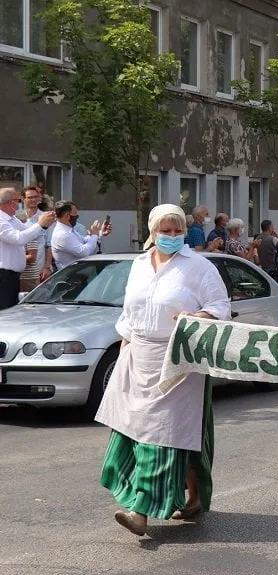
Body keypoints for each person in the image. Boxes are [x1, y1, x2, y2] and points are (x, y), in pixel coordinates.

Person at [94, 204, 230, 536]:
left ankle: (139, 511)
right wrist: (125, 343)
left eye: (177, 231)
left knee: (162, 437)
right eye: (164, 231)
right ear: (152, 233)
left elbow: (221, 307)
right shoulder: (139, 265)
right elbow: (130, 309)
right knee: (134, 431)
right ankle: (193, 496)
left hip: (179, 362)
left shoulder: (198, 267)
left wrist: (202, 317)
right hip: (138, 357)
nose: (171, 236)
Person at [50, 200, 111, 270]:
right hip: (70, 277)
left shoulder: (69, 230)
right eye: (75, 213)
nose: (77, 216)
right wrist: (94, 235)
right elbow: (84, 252)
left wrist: (100, 233)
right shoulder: (62, 235)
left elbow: (84, 240)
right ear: (67, 216)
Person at [22, 186, 54, 283]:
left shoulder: (47, 217)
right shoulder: (17, 218)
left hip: (40, 272)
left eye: (36, 197)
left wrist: (47, 267)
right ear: (23, 199)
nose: (33, 200)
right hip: (21, 272)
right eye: (30, 197)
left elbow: (49, 245)